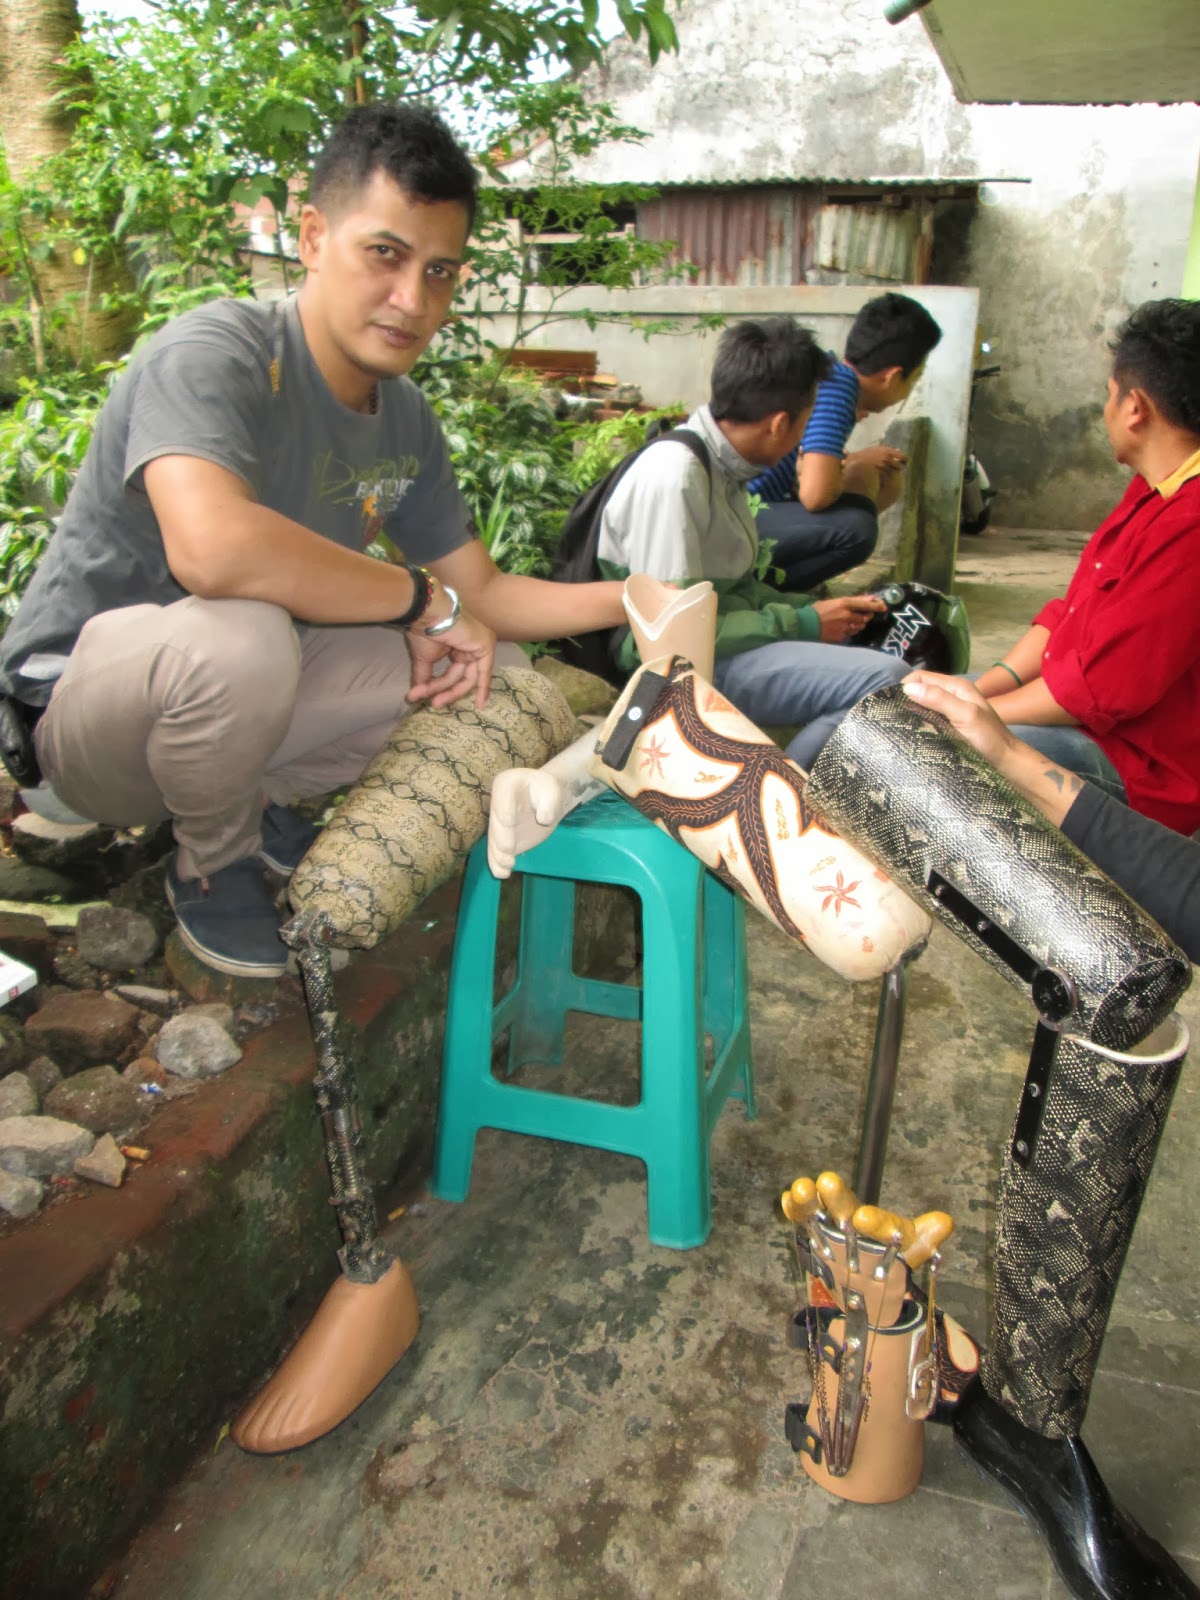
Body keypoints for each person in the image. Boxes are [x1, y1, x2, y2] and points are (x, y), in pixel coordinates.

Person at [0, 102, 628, 980]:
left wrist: (636, 598)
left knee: (490, 677)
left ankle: (247, 802)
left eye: (440, 271)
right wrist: (418, 598)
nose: (414, 300)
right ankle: (211, 861)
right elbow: (213, 551)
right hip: (85, 726)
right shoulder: (214, 353)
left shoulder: (402, 417)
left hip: (235, 706)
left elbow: (478, 595)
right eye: (386, 254)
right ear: (311, 236)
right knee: (243, 633)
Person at [594, 316, 910, 769]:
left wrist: (815, 609)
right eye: (807, 421)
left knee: (886, 652)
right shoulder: (676, 476)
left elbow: (728, 591)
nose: (805, 441)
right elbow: (670, 644)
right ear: (781, 423)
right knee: (887, 681)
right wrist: (800, 623)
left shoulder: (725, 466)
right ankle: (789, 795)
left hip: (719, 643)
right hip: (674, 671)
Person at [972, 298, 1200, 835]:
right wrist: (986, 687)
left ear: (1135, 407)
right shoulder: (1153, 489)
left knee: (921, 751)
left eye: (1109, 396)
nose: (1107, 410)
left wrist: (979, 716)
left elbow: (1098, 690)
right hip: (1089, 722)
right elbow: (1067, 614)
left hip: (1141, 768)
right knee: (892, 709)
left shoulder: (1190, 522)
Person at [746, 292, 943, 592]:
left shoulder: (830, 374)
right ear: (892, 377)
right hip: (740, 515)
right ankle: (764, 592)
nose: (910, 388)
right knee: (856, 531)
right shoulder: (839, 389)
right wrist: (855, 462)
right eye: (915, 379)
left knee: (874, 480)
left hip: (749, 509)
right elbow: (814, 495)